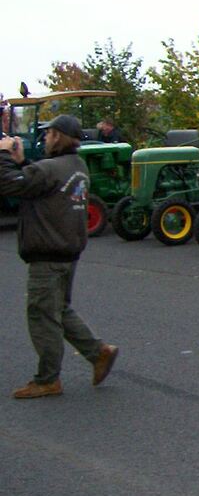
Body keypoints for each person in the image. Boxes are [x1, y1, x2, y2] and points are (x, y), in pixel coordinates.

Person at [0, 115, 118, 399]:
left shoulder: (51, 168)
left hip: (47, 253)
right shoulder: (76, 166)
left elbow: (9, 185)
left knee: (42, 315)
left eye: (49, 134)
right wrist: (22, 163)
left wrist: (3, 155)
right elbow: (39, 183)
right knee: (59, 309)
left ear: (57, 136)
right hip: (67, 250)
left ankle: (48, 379)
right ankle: (98, 352)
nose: (45, 139)